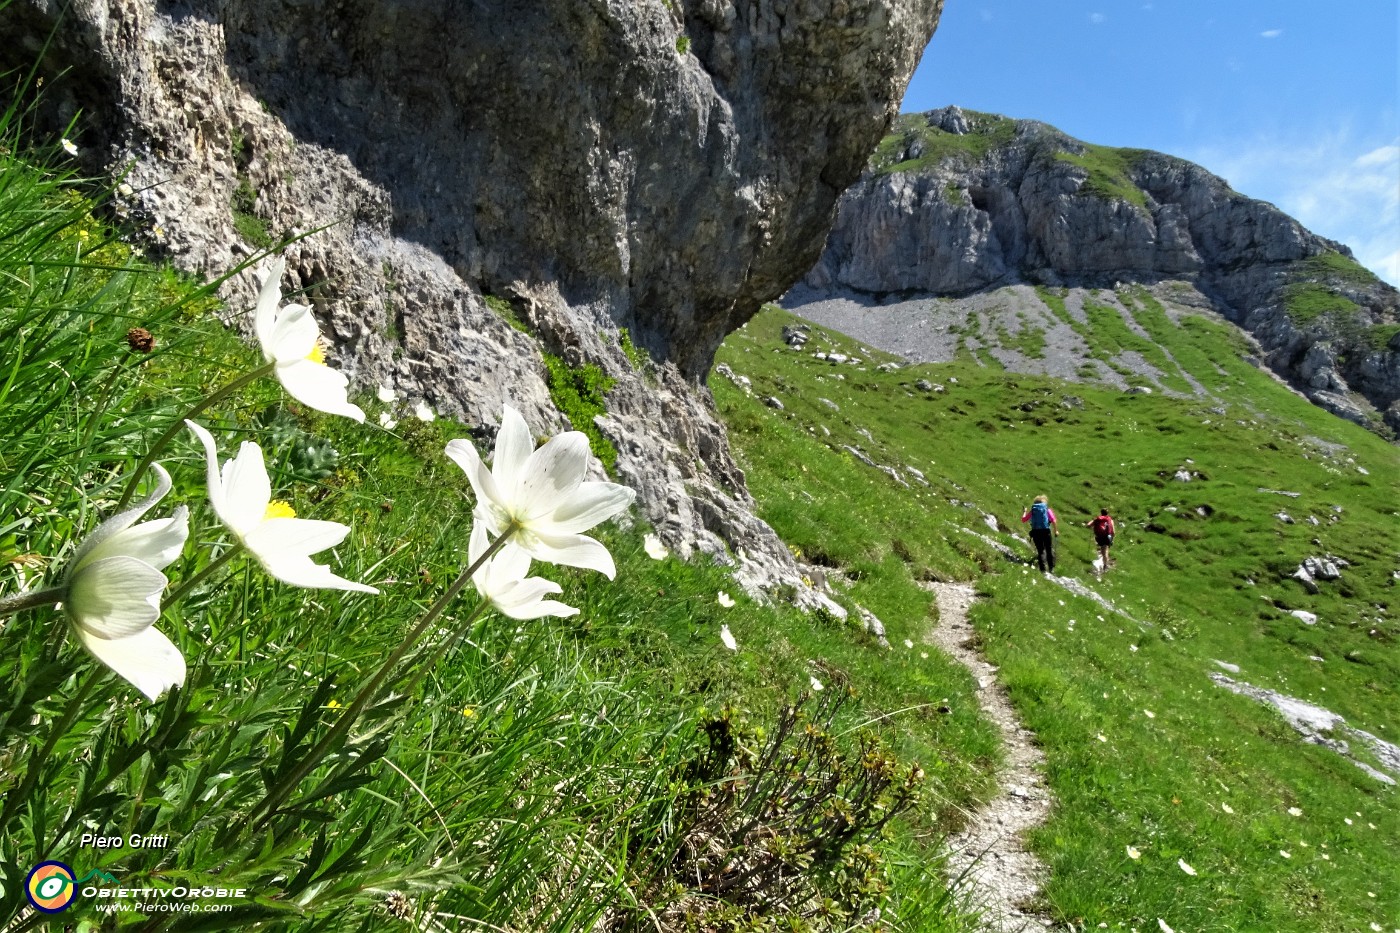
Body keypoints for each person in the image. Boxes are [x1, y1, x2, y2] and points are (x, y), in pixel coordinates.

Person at [1020, 495, 1058, 573]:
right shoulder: (1047, 509)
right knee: (1049, 549)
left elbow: (1023, 520)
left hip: (1036, 532)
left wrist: (1024, 512)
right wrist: (1056, 531)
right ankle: (1051, 568)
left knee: (1040, 550)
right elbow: (1053, 520)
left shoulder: (1033, 510)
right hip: (1046, 531)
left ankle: (1042, 570)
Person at [1086, 508, 1116, 573]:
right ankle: (1105, 565)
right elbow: (1113, 532)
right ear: (1107, 513)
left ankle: (1104, 563)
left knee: (1103, 550)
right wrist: (1112, 539)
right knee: (1105, 550)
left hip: (1100, 537)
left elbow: (1088, 525)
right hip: (1108, 536)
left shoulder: (1098, 519)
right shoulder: (1110, 520)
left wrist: (1093, 520)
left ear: (1101, 513)